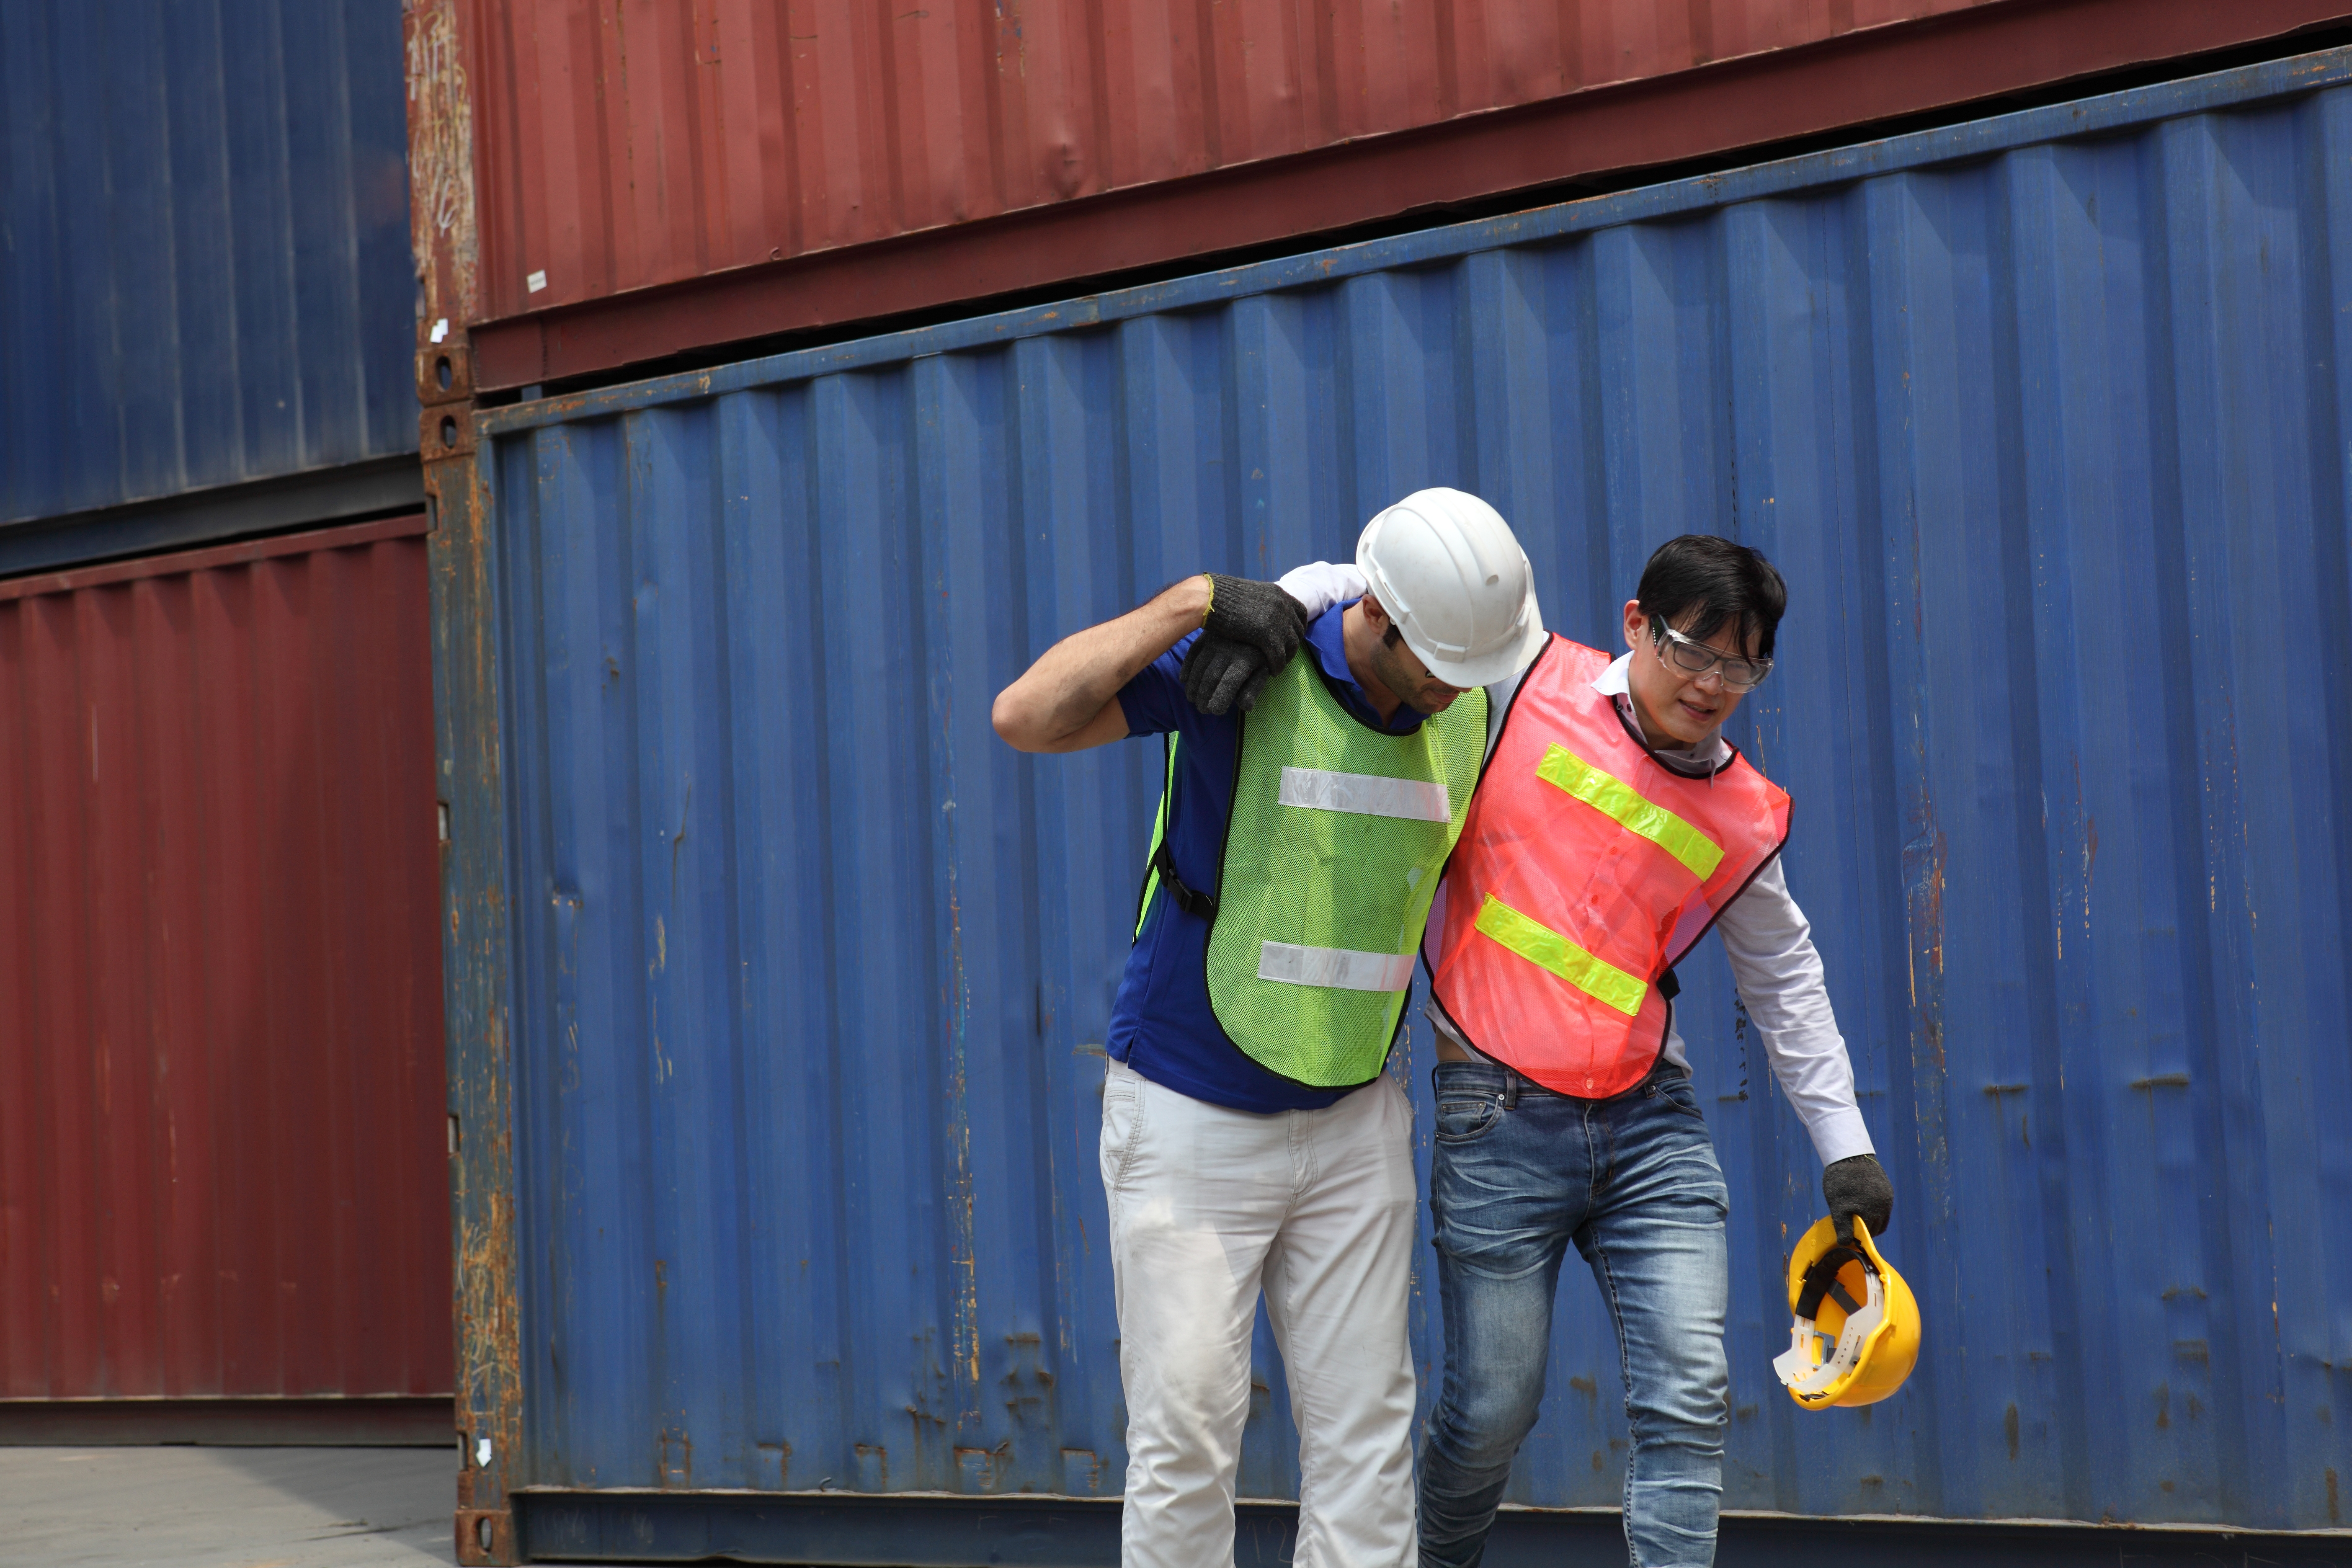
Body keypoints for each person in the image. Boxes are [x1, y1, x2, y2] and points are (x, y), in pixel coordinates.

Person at [1237, 535, 1893, 1568]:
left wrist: (1844, 1146)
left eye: (1741, 666)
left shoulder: (1741, 812)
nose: (1712, 684)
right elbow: (1400, 580)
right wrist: (1272, 601)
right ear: (1637, 623)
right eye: (1691, 650)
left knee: (1689, 1399)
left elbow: (1786, 980)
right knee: (1492, 1414)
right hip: (1495, 1119)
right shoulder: (1522, 675)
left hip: (1651, 1127)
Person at [990, 490, 1544, 1568]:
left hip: (1355, 1117)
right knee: (1189, 1441)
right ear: (1377, 614)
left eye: (1470, 673)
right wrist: (1194, 603)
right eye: (1435, 665)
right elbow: (1027, 716)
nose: (1450, 693)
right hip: (1191, 1116)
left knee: (1367, 1446)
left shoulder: (1472, 695)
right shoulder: (1244, 670)